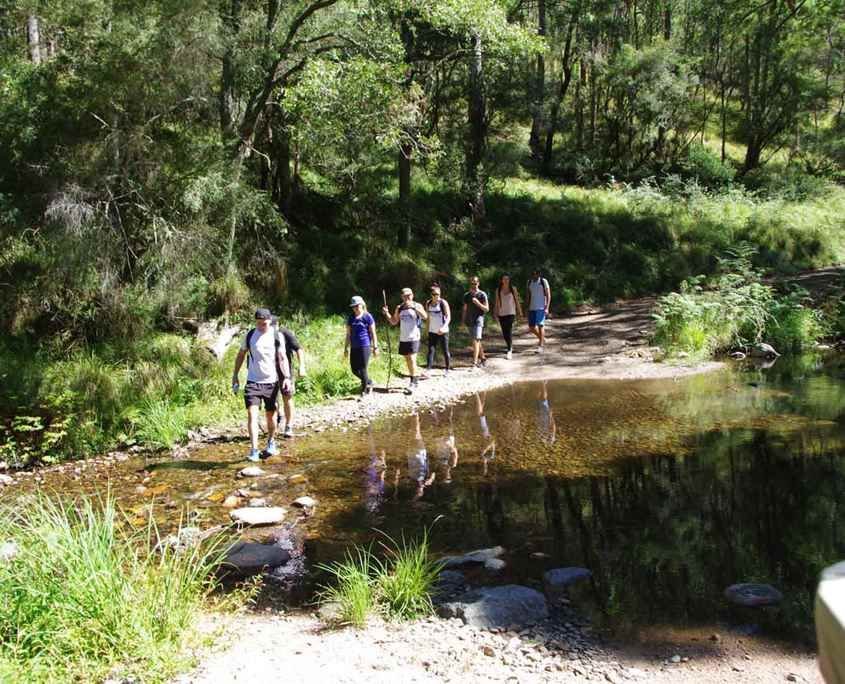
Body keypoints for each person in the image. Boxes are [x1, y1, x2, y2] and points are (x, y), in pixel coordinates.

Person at [231, 308, 291, 462]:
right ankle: (254, 450)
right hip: (253, 382)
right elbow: (241, 355)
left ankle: (271, 441)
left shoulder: (277, 336)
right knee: (252, 414)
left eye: (264, 324)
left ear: (270, 321)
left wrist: (286, 377)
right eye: (258, 323)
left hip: (271, 382)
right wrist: (235, 375)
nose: (261, 326)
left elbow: (282, 358)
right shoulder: (250, 335)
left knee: (271, 416)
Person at [382, 287, 427, 395]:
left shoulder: (417, 305)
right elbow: (394, 321)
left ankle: (413, 382)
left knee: (412, 359)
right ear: (402, 297)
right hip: (404, 337)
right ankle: (414, 378)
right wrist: (387, 313)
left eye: (409, 295)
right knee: (407, 359)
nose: (407, 297)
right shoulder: (400, 308)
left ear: (412, 295)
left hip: (414, 337)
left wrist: (414, 308)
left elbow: (425, 316)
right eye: (405, 296)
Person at [273, 316, 307, 438]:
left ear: (277, 324)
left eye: (273, 325)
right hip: (269, 371)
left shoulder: (285, 333)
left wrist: (302, 366)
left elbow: (299, 349)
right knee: (272, 399)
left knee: (287, 396)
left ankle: (288, 426)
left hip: (285, 371)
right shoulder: (263, 334)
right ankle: (278, 417)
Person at [344, 295, 379, 395]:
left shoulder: (367, 316)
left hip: (365, 346)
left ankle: (364, 391)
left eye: (357, 305)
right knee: (354, 370)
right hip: (354, 347)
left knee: (363, 368)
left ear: (362, 305)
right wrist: (346, 348)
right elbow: (348, 334)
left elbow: (373, 333)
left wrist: (375, 347)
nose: (355, 308)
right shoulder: (351, 318)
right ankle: (369, 382)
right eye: (353, 306)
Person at [494, 274, 523, 360]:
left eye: (507, 279)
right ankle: (509, 345)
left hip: (511, 313)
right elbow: (497, 302)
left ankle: (509, 350)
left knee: (509, 330)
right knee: (504, 332)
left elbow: (517, 301)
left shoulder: (513, 289)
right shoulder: (498, 290)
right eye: (504, 279)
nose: (506, 280)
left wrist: (520, 312)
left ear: (509, 280)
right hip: (502, 313)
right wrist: (495, 313)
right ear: (501, 280)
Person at [425, 284, 451, 376]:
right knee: (431, 350)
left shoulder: (443, 303)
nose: (436, 296)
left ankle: (447, 369)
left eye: (438, 294)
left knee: (445, 350)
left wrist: (443, 327)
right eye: (434, 294)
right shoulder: (428, 303)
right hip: (432, 331)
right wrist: (426, 330)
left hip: (443, 331)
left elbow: (448, 317)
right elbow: (428, 318)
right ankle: (428, 369)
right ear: (431, 295)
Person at [462, 276, 489, 367]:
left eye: (475, 283)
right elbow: (464, 309)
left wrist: (478, 303)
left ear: (478, 283)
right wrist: (463, 321)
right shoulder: (466, 295)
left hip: (478, 320)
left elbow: (486, 309)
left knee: (476, 340)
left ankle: (474, 362)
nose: (474, 285)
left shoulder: (482, 294)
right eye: (472, 283)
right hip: (469, 320)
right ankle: (483, 358)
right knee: (476, 341)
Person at [525, 268, 551, 353]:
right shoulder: (529, 282)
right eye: (533, 274)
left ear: (539, 274)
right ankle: (542, 338)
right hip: (532, 307)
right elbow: (528, 295)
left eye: (536, 274)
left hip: (541, 307)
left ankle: (541, 346)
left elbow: (548, 295)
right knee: (531, 327)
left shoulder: (543, 281)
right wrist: (526, 307)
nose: (534, 275)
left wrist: (547, 307)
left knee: (540, 325)